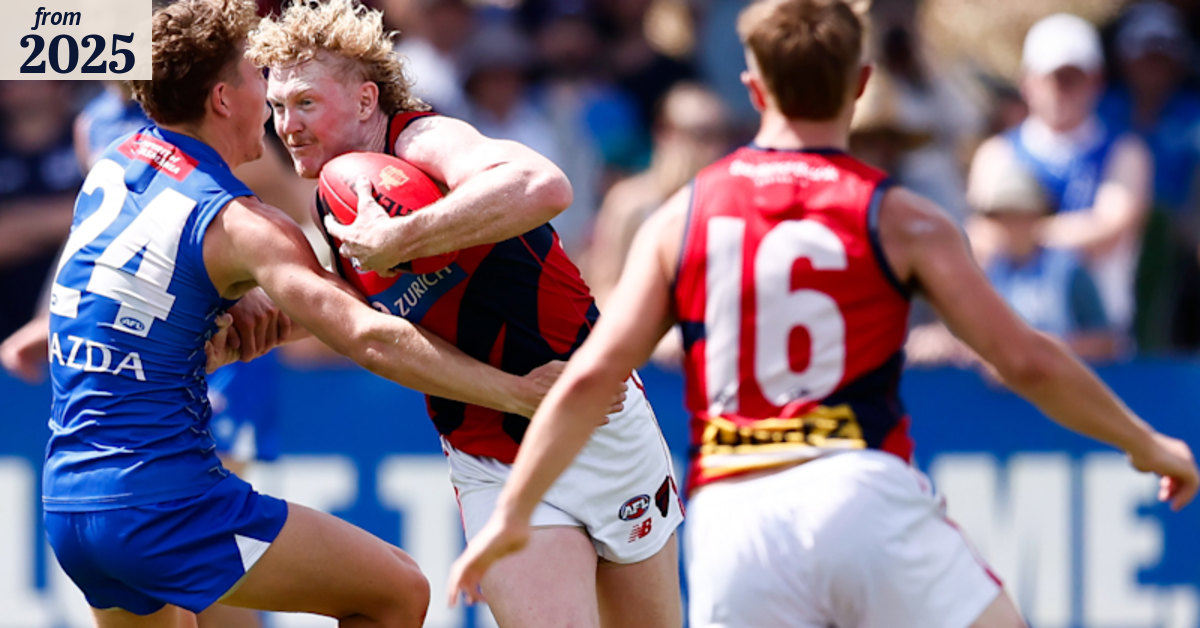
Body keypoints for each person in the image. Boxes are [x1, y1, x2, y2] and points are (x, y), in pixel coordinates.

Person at [445, 1, 1200, 627]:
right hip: (858, 490)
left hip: (735, 518)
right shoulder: (901, 217)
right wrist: (1145, 442)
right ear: (861, 84)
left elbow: (593, 375)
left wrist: (512, 512)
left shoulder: (684, 217)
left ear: (754, 89)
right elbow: (1025, 359)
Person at [44, 0, 568, 626]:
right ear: (222, 98)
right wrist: (514, 393)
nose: (270, 102)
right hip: (161, 501)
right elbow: (369, 338)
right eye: (257, 77)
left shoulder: (114, 159)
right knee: (398, 592)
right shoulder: (242, 224)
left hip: (69, 500)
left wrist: (230, 307)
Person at [247, 2, 684, 626]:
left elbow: (546, 185)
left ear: (367, 100)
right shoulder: (331, 201)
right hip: (490, 458)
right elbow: (377, 336)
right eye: (278, 106)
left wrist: (405, 237)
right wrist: (514, 394)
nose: (287, 125)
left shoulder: (423, 140)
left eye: (306, 103)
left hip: (601, 424)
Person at [967, 13, 1151, 348]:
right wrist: (1065, 233)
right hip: (1011, 341)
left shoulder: (1126, 152)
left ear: (1097, 81)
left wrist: (1021, 233)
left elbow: (1109, 230)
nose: (1062, 90)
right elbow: (982, 239)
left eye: (1073, 78)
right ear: (1027, 83)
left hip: (1100, 343)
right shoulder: (997, 153)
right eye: (1052, 78)